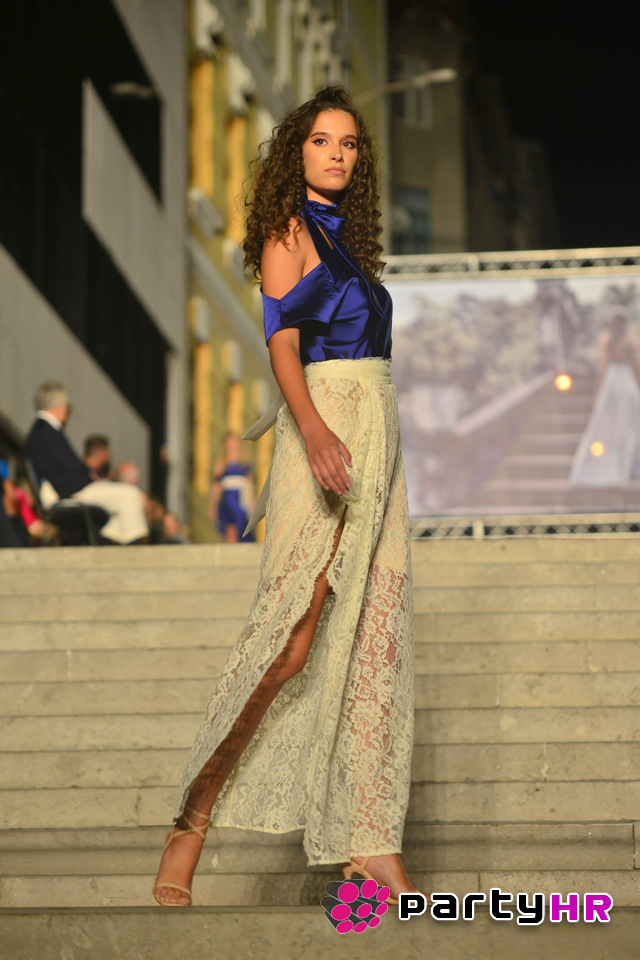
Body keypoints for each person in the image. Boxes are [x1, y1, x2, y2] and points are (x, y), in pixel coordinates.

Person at [153, 86, 419, 907]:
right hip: (324, 425)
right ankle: (191, 820)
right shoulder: (289, 231)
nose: (337, 153)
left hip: (378, 432)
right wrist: (315, 431)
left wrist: (365, 437)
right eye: (322, 140)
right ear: (296, 151)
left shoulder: (355, 249)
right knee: (292, 641)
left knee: (375, 637)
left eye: (349, 144)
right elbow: (282, 344)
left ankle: (370, 840)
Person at [24, 381, 149, 544]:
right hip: (68, 493)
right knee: (130, 495)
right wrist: (91, 478)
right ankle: (129, 547)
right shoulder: (48, 432)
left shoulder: (41, 431)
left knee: (124, 500)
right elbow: (69, 468)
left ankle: (107, 541)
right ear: (60, 405)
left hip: (66, 491)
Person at [570, 307, 640, 486]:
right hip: (626, 381)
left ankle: (618, 465)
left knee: (610, 425)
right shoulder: (630, 341)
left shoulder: (607, 340)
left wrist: (598, 391)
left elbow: (603, 367)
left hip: (612, 380)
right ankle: (628, 465)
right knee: (629, 424)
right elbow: (636, 366)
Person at [208, 432, 256, 543]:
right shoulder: (221, 463)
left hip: (241, 499)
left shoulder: (245, 463)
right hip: (228, 498)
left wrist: (252, 503)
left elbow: (249, 485)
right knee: (230, 529)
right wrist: (213, 505)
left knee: (241, 527)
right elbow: (217, 485)